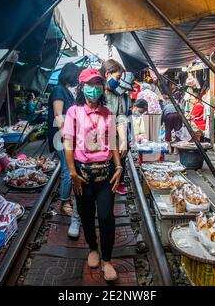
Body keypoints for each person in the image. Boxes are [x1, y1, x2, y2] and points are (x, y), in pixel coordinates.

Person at [63, 68, 123, 282]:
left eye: (98, 84)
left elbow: (114, 142)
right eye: (90, 84)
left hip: (105, 173)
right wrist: (72, 172)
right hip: (82, 174)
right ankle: (93, 248)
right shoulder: (73, 112)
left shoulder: (108, 113)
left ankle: (107, 260)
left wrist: (118, 167)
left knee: (106, 216)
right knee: (86, 215)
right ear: (82, 87)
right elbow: (67, 143)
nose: (94, 88)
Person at [47, 62, 82, 238]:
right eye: (77, 75)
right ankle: (64, 201)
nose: (78, 79)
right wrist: (66, 136)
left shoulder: (66, 90)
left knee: (67, 169)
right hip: (61, 137)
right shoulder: (59, 90)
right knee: (68, 170)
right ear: (70, 75)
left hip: (66, 136)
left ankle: (65, 198)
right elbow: (58, 114)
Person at [99, 59, 129, 195]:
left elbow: (120, 117)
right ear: (107, 74)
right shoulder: (95, 94)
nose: (118, 81)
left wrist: (123, 140)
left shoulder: (116, 95)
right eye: (118, 77)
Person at [115, 72, 135, 195]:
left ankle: (120, 182)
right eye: (123, 88)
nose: (124, 91)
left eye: (126, 89)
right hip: (112, 132)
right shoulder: (111, 95)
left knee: (122, 156)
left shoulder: (127, 98)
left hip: (123, 130)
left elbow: (126, 116)